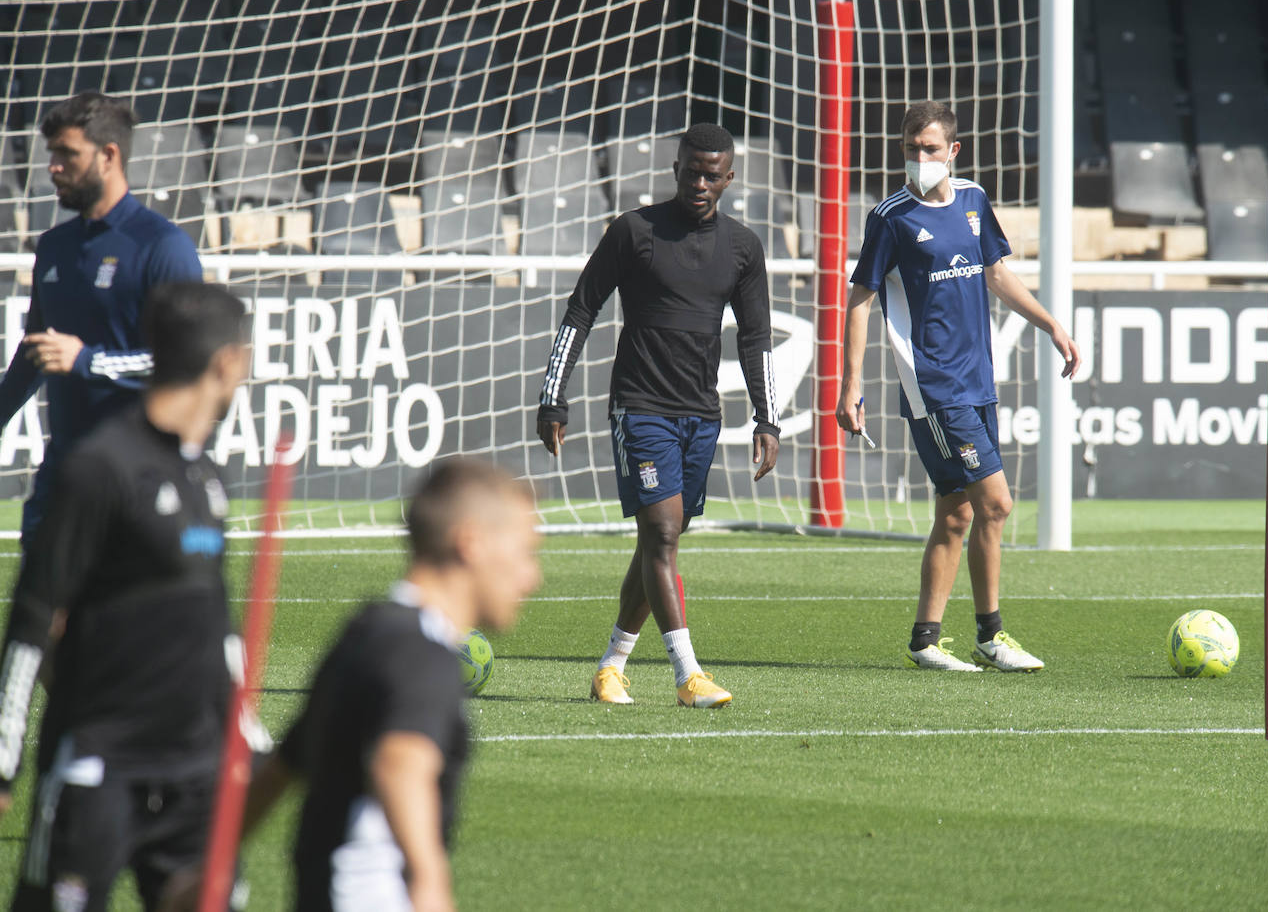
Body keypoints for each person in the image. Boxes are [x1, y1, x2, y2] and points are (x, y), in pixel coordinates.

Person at [0, 282, 251, 909]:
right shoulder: (99, 471)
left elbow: (214, 624)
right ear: (228, 364)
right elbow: (33, 617)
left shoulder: (206, 478)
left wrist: (244, 731)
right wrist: (4, 756)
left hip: (195, 775)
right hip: (96, 769)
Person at [535, 123, 780, 708]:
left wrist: (767, 419)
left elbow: (756, 338)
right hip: (640, 406)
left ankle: (611, 667)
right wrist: (554, 395)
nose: (700, 183)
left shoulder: (743, 247)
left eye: (712, 175)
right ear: (675, 167)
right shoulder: (634, 232)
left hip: (702, 414)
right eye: (691, 171)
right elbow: (581, 309)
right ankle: (688, 675)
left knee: (657, 543)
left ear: (729, 179)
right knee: (663, 534)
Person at [231, 459, 542, 912]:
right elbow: (399, 764)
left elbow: (285, 765)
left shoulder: (367, 628)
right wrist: (430, 885)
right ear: (471, 542)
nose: (531, 577)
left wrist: (207, 867)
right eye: (524, 552)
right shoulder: (424, 657)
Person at [835, 100, 1081, 673]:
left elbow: (997, 273)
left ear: (953, 151)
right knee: (995, 503)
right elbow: (861, 299)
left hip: (977, 381)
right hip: (935, 388)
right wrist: (851, 385)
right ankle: (991, 635)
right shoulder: (890, 217)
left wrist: (1050, 324)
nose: (919, 159)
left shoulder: (972, 200)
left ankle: (926, 641)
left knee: (956, 515)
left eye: (929, 149)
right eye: (909, 150)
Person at [0, 92, 203, 550]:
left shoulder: (163, 248)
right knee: (38, 619)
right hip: (64, 473)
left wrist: (90, 361)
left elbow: (188, 363)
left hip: (139, 478)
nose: (52, 166)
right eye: (50, 153)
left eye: (67, 154)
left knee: (124, 621)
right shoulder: (53, 247)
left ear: (109, 155)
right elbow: (35, 354)